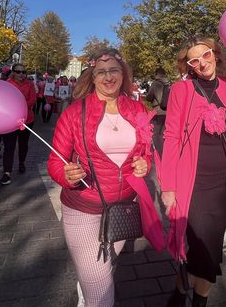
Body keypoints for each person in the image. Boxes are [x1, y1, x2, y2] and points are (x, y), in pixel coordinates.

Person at [47, 48, 159, 306]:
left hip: (123, 208)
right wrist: (66, 175)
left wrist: (145, 164)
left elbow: (146, 151)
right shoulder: (75, 113)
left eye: (114, 70)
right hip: (83, 207)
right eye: (101, 72)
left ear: (123, 74)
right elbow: (55, 161)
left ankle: (85, 285)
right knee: (100, 289)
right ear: (93, 76)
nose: (108, 77)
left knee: (103, 267)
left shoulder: (137, 110)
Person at [160, 36, 226, 307]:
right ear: (189, 66)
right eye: (194, 60)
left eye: (206, 55)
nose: (201, 63)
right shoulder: (182, 91)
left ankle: (183, 295)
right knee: (203, 245)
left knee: (210, 246)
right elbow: (171, 137)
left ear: (216, 55)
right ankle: (188, 298)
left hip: (222, 183)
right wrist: (168, 186)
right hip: (193, 182)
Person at [0, 63, 36, 185]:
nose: (21, 74)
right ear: (13, 72)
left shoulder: (29, 84)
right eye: (18, 71)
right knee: (9, 146)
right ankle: (7, 173)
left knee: (23, 144)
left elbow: (33, 100)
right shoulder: (7, 84)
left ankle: (21, 162)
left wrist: (20, 105)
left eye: (23, 72)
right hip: (9, 121)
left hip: (26, 120)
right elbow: (2, 100)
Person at [145, 67, 171, 157]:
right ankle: (167, 154)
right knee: (164, 134)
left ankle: (160, 155)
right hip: (168, 113)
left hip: (157, 112)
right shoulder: (169, 83)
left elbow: (148, 97)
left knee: (156, 134)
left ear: (157, 74)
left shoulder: (155, 83)